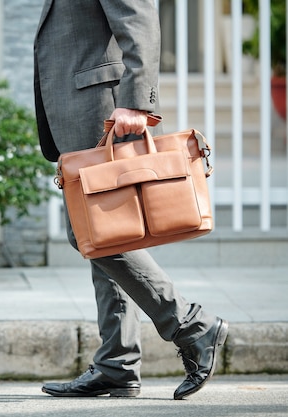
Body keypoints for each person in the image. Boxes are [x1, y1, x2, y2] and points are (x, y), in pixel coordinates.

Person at [33, 0, 228, 401]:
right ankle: (117, 365)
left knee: (90, 232)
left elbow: (138, 14)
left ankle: (192, 325)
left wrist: (137, 99)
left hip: (101, 103)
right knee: (107, 234)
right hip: (83, 102)